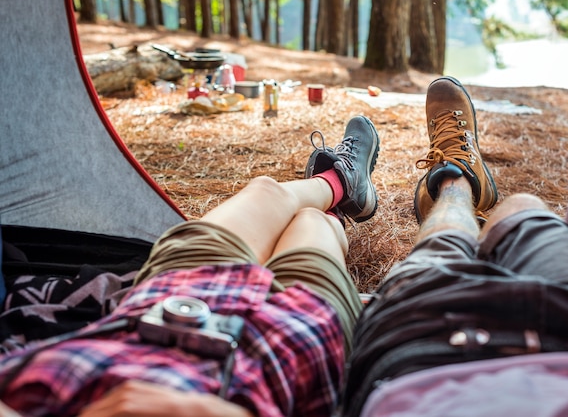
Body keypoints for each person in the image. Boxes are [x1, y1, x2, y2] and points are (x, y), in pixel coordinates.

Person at [0, 115, 380, 417]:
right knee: (314, 224)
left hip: (158, 312)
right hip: (285, 352)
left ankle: (341, 183)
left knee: (266, 190)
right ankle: (336, 208)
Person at [341, 77, 568, 417]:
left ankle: (453, 180)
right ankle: (465, 178)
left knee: (447, 234)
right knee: (523, 207)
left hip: (421, 355)